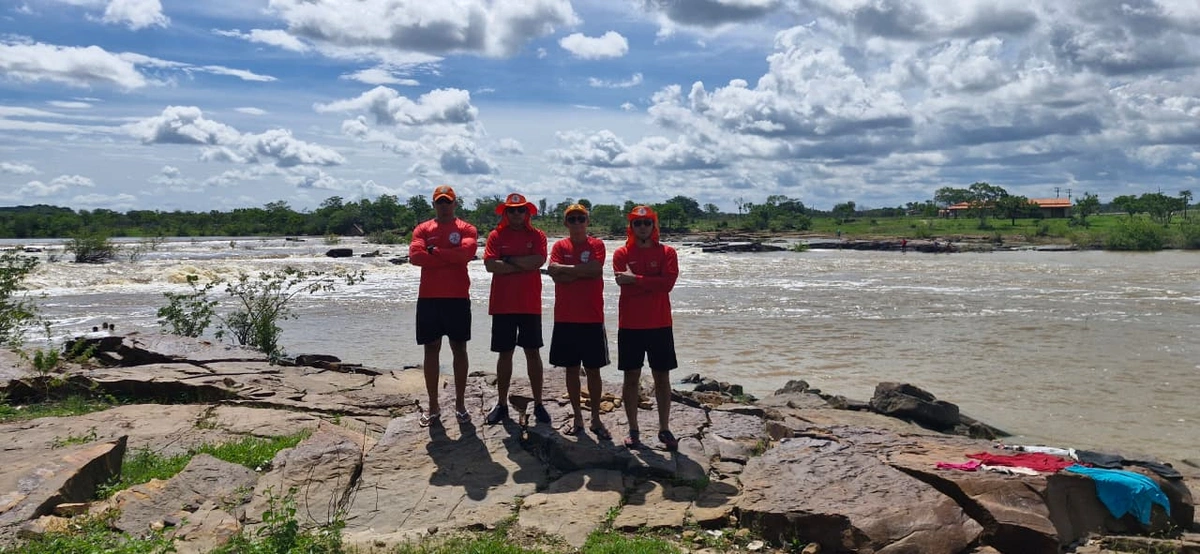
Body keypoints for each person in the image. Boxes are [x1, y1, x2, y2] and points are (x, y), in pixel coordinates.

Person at [409, 185, 478, 427]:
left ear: (455, 204)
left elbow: (466, 254)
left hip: (458, 297)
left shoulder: (466, 228)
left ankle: (460, 404)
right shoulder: (423, 228)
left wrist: (435, 252)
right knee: (431, 349)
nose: (444, 205)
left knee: (460, 349)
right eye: (440, 201)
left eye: (448, 201)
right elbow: (415, 257)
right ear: (434, 204)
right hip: (429, 298)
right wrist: (449, 256)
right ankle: (433, 405)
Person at [613, 205, 680, 451]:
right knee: (630, 378)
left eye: (647, 223)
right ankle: (633, 429)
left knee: (662, 378)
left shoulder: (667, 252)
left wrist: (637, 279)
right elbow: (624, 284)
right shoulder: (621, 253)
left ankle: (664, 428)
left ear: (654, 226)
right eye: (637, 223)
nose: (642, 227)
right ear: (631, 227)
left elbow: (667, 284)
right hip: (630, 324)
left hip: (660, 324)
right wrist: (651, 282)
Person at [482, 193, 549, 425]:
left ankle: (539, 403)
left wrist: (507, 259)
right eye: (512, 210)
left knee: (533, 352)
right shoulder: (496, 235)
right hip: (503, 305)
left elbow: (538, 262)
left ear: (528, 213)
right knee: (505, 353)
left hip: (529, 304)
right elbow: (491, 265)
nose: (517, 214)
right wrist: (522, 263)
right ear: (506, 213)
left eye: (521, 210)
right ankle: (501, 404)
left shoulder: (537, 235)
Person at [546, 204, 611, 440]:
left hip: (592, 317)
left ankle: (595, 417)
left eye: (580, 218)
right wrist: (578, 271)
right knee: (571, 370)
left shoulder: (597, 245)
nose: (576, 222)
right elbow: (554, 272)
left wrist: (568, 271)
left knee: (593, 371)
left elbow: (595, 269)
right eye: (571, 219)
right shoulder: (559, 246)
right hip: (565, 317)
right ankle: (577, 416)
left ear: (587, 221)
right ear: (566, 223)